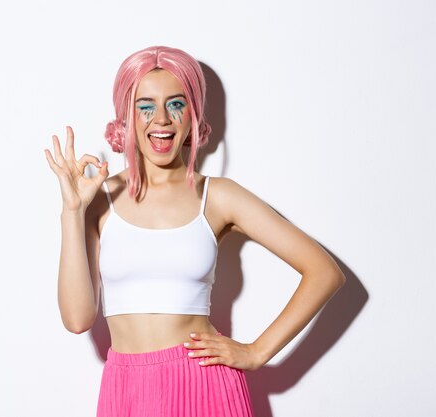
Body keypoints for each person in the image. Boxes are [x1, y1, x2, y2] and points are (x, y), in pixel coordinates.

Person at [44, 45, 346, 417]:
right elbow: (77, 319)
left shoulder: (218, 196)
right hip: (126, 390)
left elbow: (324, 271)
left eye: (176, 103)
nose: (161, 120)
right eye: (145, 106)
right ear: (127, 115)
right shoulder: (99, 199)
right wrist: (72, 212)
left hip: (204, 384)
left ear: (192, 113)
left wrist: (257, 351)